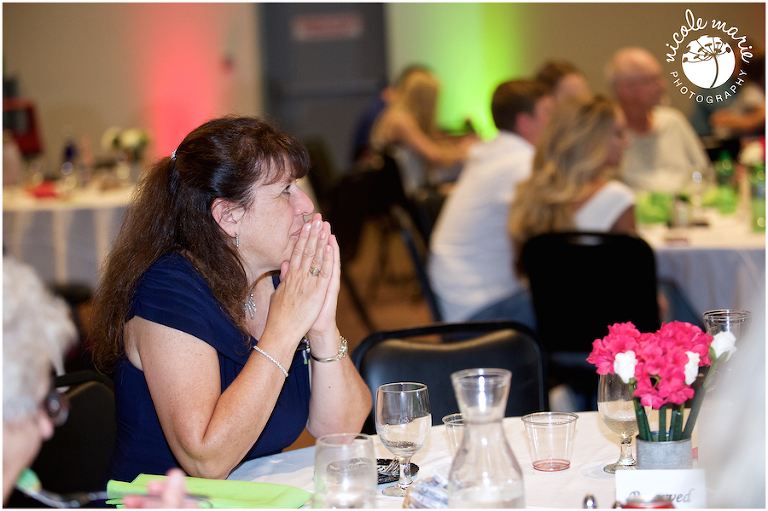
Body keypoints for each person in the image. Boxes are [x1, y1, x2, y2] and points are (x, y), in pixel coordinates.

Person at [90, 116, 372, 482]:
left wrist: (322, 328)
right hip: (167, 503)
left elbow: (340, 430)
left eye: (298, 187)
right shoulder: (168, 291)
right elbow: (206, 461)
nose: (305, 204)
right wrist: (283, 330)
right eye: (285, 191)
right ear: (228, 216)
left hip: (253, 497)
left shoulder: (277, 280)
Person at [427, 80, 553, 325]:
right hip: (479, 311)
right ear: (524, 122)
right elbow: (547, 235)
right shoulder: (521, 163)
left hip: (458, 298)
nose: (555, 121)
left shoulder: (494, 152)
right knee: (581, 303)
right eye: (548, 112)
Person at [508, 93, 635, 272]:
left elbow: (522, 271)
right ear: (592, 139)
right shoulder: (618, 198)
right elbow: (632, 276)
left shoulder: (530, 195)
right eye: (619, 133)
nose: (627, 143)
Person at [606, 47, 711, 193]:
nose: (662, 85)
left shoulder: (674, 121)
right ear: (625, 89)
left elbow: (704, 171)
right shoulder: (608, 134)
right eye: (652, 80)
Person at [369, 68, 476, 196]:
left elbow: (435, 140)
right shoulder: (400, 120)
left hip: (409, 191)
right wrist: (467, 152)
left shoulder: (399, 115)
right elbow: (434, 156)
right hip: (406, 196)